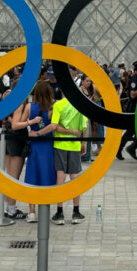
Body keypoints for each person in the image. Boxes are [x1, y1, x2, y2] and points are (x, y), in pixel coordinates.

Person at [50, 88, 88, 225]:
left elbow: (55, 126)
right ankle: (76, 212)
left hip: (60, 145)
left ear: (62, 92)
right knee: (74, 177)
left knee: (60, 177)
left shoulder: (58, 105)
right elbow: (84, 127)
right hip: (75, 145)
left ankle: (59, 212)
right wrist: (84, 143)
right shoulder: (80, 104)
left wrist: (66, 131)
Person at [25, 81, 57, 223]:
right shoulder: (53, 107)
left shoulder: (29, 107)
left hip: (34, 146)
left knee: (33, 176)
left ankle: (31, 212)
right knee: (47, 176)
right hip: (49, 145)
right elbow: (56, 126)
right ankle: (45, 207)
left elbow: (18, 122)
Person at [2, 85, 32, 219]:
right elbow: (16, 123)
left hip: (7, 135)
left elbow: (6, 116)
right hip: (17, 137)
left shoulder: (8, 97)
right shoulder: (20, 102)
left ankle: (5, 206)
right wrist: (29, 122)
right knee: (14, 176)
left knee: (8, 175)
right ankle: (12, 209)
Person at [116, 59, 137, 161]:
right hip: (134, 108)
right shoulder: (135, 79)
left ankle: (124, 148)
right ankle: (127, 148)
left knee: (132, 131)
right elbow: (132, 95)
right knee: (134, 130)